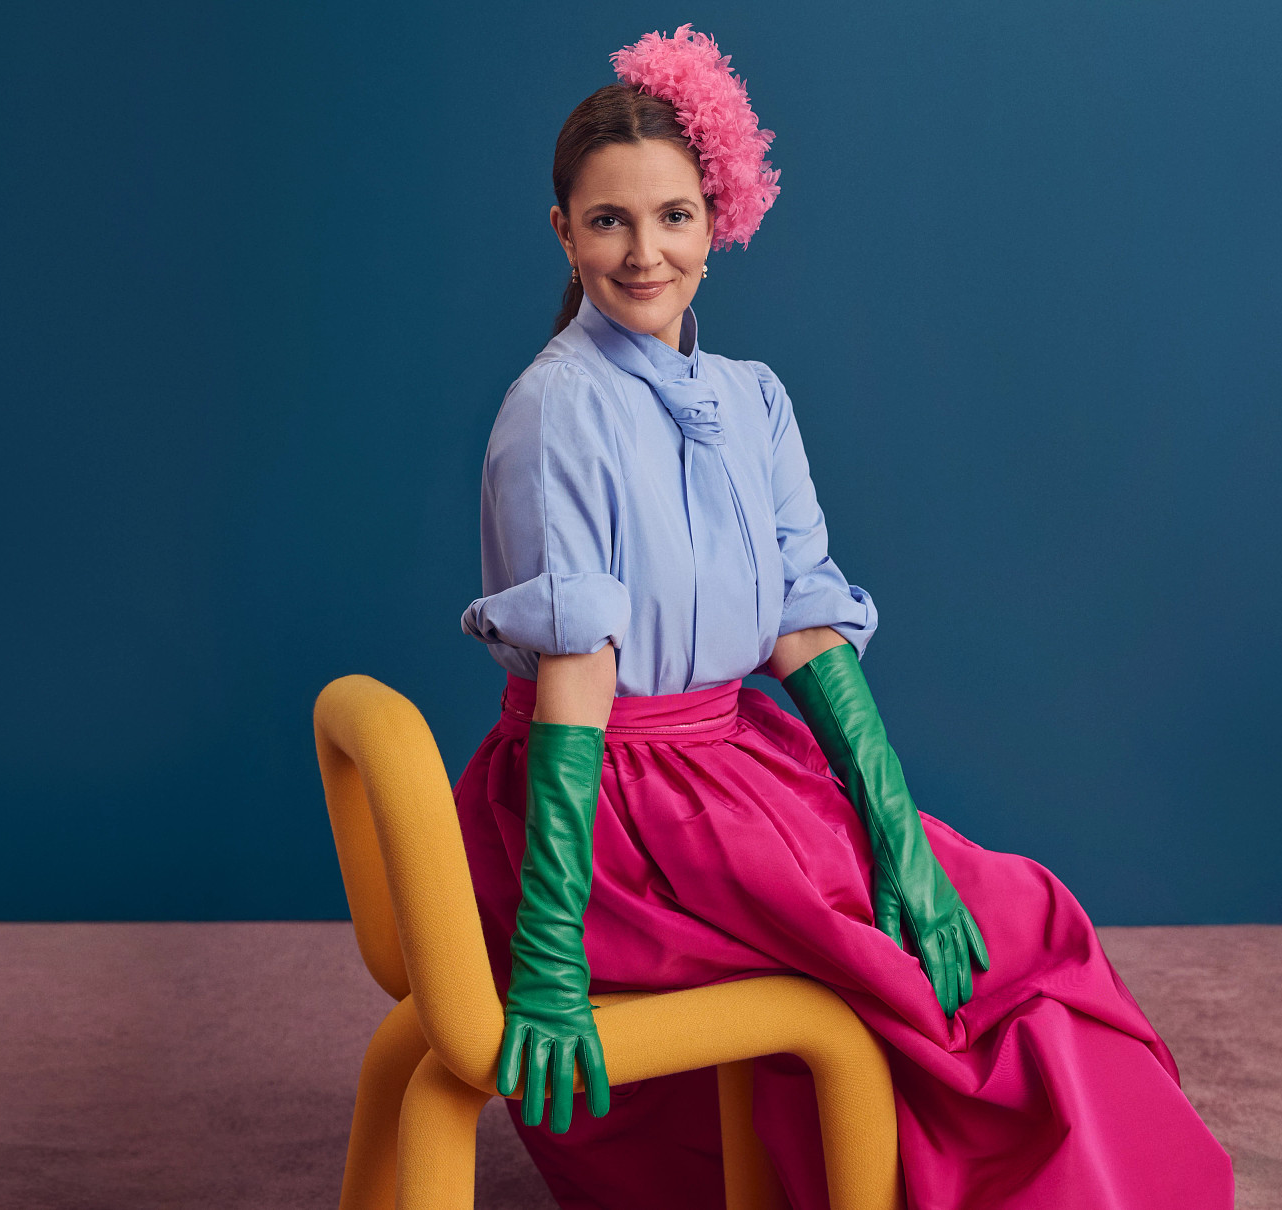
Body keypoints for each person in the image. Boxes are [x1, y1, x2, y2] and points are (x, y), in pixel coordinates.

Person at [455, 25, 1235, 1210]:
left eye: (672, 215)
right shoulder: (555, 411)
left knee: (997, 915)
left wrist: (898, 840)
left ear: (716, 219)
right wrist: (550, 960)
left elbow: (804, 630)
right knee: (915, 988)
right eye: (607, 220)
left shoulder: (749, 398)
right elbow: (577, 679)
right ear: (561, 230)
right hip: (617, 814)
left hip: (731, 767)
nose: (644, 251)